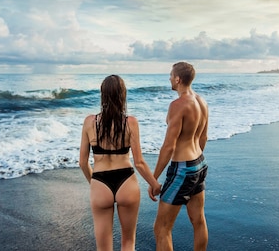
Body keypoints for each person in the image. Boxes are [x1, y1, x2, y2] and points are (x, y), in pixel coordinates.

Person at [80, 75, 161, 251]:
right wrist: (154, 184)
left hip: (100, 182)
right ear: (122, 95)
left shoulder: (89, 122)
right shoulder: (130, 122)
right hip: (127, 181)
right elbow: (139, 162)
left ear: (103, 95)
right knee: (128, 242)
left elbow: (82, 162)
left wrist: (94, 182)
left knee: (103, 247)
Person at [148, 62, 209, 251]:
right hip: (199, 163)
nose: (169, 78)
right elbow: (203, 136)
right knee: (198, 220)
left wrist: (154, 178)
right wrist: (195, 163)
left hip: (182, 169)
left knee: (161, 228)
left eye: (170, 75)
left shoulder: (178, 105)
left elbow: (168, 146)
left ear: (178, 79)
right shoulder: (201, 101)